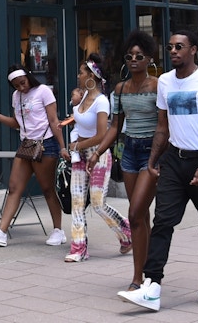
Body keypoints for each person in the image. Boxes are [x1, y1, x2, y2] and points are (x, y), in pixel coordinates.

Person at [118, 30, 198, 312]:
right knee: (163, 222)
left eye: (180, 47)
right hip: (173, 162)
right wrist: (153, 161)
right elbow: (162, 127)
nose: (174, 51)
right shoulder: (166, 82)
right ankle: (152, 285)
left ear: (193, 49)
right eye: (170, 47)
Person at [89, 30, 158, 291]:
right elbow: (115, 127)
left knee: (135, 212)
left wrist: (160, 156)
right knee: (140, 215)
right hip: (129, 151)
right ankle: (145, 270)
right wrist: (97, 153)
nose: (134, 60)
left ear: (149, 59)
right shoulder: (119, 89)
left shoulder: (158, 86)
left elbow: (165, 124)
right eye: (129, 56)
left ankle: (139, 277)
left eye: (139, 56)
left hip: (152, 152)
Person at [0, 67, 69, 247]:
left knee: (47, 189)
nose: (21, 88)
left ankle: (58, 231)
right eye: (16, 85)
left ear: (28, 77)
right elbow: (17, 123)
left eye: (23, 83)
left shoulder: (43, 91)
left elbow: (54, 121)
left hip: (46, 144)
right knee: (13, 188)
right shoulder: (16, 96)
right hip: (26, 145)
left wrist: (62, 147)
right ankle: (1, 232)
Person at [64, 54, 132, 262]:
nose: (78, 75)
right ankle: (79, 247)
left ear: (92, 76)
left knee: (97, 202)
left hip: (99, 154)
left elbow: (103, 135)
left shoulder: (101, 101)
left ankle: (125, 230)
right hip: (79, 155)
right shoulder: (82, 97)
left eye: (82, 72)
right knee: (76, 201)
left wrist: (79, 145)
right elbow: (79, 123)